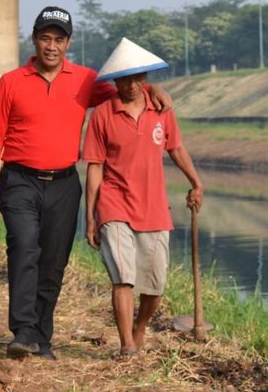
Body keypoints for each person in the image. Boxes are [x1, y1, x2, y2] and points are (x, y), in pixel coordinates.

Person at [0, 7, 171, 360]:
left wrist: (152, 88)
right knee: (24, 248)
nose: (52, 46)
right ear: (34, 40)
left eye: (59, 39)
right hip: (19, 180)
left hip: (64, 184)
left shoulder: (84, 80)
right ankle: (22, 330)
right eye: (45, 38)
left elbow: (125, 90)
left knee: (53, 261)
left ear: (69, 43)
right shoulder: (11, 82)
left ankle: (43, 338)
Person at [83, 38, 203, 357]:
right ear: (115, 81)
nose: (132, 85)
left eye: (138, 78)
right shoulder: (103, 115)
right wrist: (90, 216)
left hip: (153, 208)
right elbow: (94, 167)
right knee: (123, 277)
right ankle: (126, 346)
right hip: (114, 204)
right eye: (124, 78)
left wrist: (196, 182)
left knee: (154, 288)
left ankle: (140, 328)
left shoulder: (161, 110)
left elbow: (175, 148)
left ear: (146, 80)